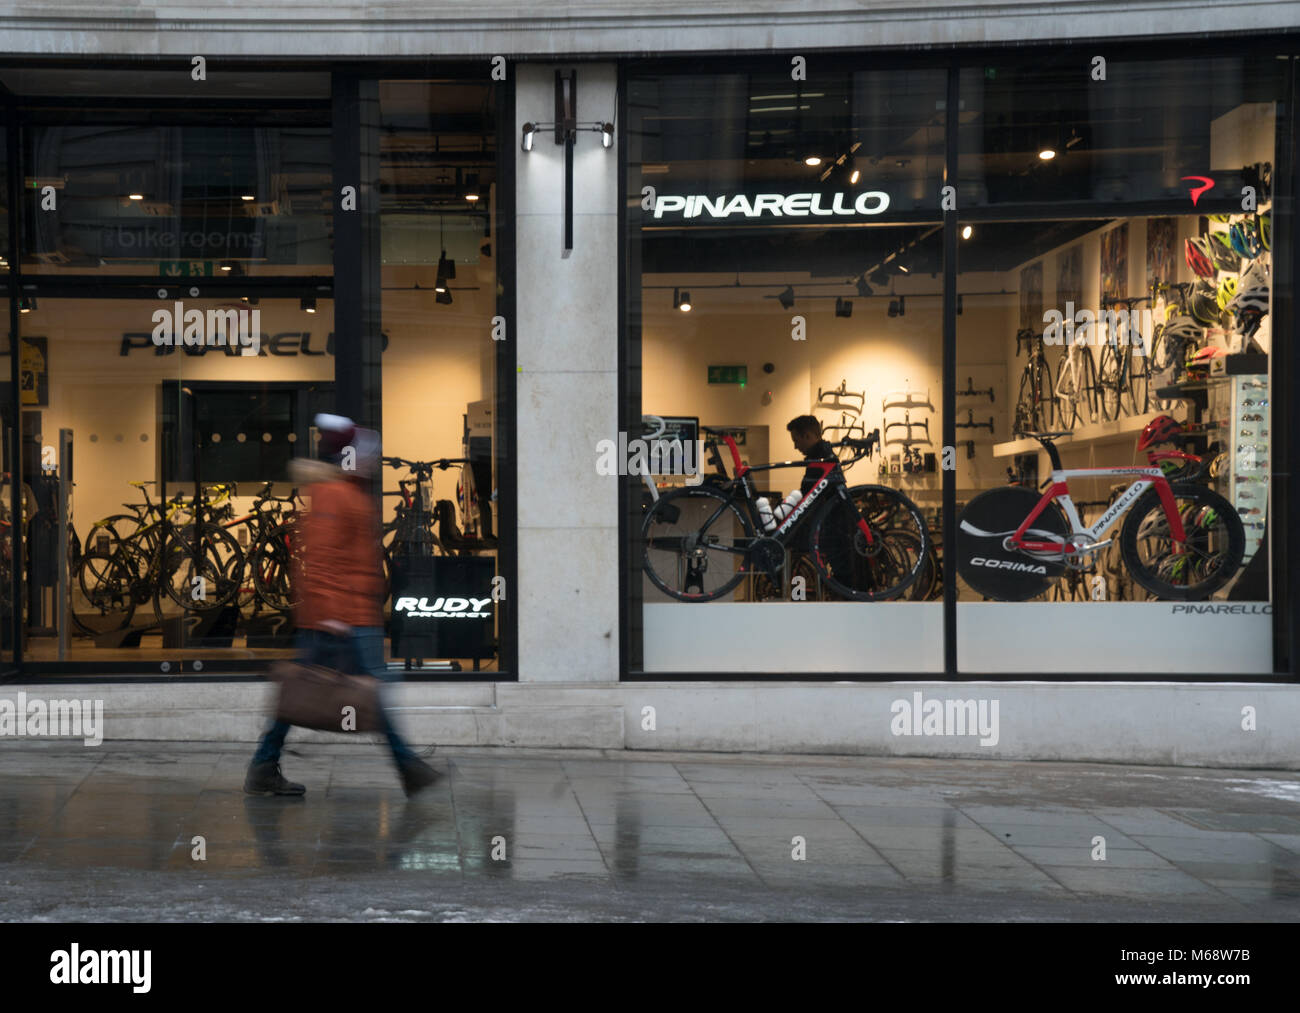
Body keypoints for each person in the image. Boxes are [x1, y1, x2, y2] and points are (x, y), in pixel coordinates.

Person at [245, 414, 440, 798]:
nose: (372, 459)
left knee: (304, 691)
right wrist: (331, 613)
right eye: (366, 453)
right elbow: (319, 558)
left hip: (349, 611)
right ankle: (408, 767)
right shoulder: (334, 494)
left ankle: (263, 766)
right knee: (361, 690)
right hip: (341, 615)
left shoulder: (345, 491)